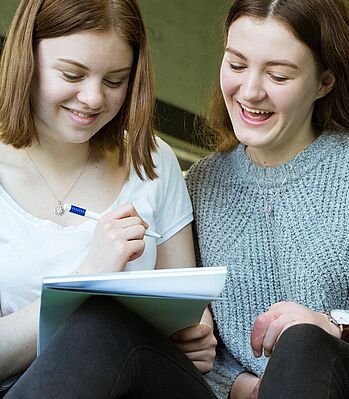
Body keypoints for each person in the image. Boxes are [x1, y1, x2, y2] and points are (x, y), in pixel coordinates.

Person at [186, 0, 349, 398]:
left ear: (324, 82)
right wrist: (244, 388)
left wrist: (331, 325)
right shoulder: (199, 184)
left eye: (278, 75)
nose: (250, 91)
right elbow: (191, 346)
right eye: (237, 65)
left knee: (303, 341)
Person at [0, 0, 216, 396]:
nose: (93, 99)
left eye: (115, 81)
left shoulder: (151, 161)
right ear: (26, 59)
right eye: (72, 74)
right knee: (96, 319)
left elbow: (186, 302)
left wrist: (198, 333)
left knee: (105, 324)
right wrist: (86, 280)